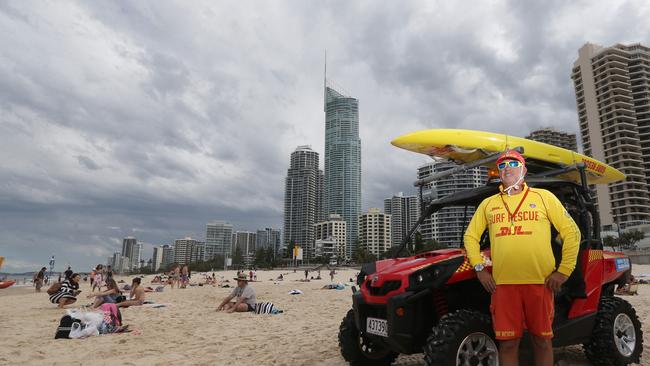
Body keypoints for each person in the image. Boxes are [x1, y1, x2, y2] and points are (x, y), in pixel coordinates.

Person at [463, 150, 580, 366]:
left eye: (513, 163)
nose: (506, 167)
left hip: (540, 282)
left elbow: (572, 233)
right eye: (501, 165)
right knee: (508, 344)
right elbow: (470, 236)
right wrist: (479, 269)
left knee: (542, 340)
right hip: (503, 286)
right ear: (498, 173)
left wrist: (563, 272)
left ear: (524, 170)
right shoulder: (488, 204)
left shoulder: (544, 197)